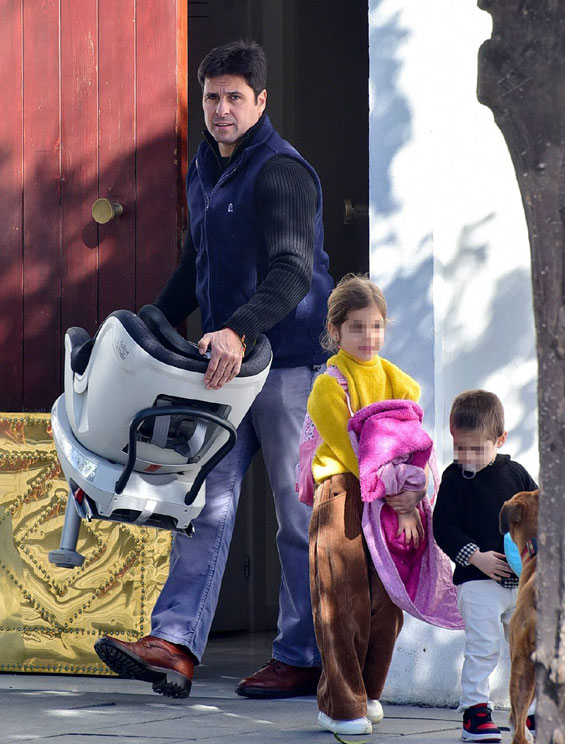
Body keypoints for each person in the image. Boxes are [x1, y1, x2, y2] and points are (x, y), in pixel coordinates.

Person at [94, 39, 334, 700]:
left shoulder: (285, 173)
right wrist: (149, 324)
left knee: (295, 517)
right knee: (202, 504)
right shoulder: (206, 168)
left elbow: (291, 271)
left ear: (261, 101)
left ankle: (301, 655)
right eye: (211, 97)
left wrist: (238, 328)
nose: (222, 110)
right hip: (223, 372)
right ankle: (174, 645)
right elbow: (191, 271)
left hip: (287, 369)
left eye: (234, 97)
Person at [303, 275, 430, 736]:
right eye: (357, 327)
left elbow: (413, 446)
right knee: (342, 601)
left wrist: (410, 499)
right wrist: (399, 494)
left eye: (376, 326)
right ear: (335, 331)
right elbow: (355, 454)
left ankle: (369, 691)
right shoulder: (328, 385)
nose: (368, 337)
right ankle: (341, 703)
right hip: (343, 493)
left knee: (388, 603)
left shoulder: (400, 382)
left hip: (393, 498)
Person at [433, 390, 539, 743]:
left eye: (477, 449)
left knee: (526, 645)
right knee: (483, 645)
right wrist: (475, 556)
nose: (467, 458)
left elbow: (538, 512)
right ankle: (475, 711)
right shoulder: (453, 480)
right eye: (460, 448)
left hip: (519, 586)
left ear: (500, 439)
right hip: (477, 582)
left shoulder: (516, 475)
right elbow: (443, 527)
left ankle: (531, 710)